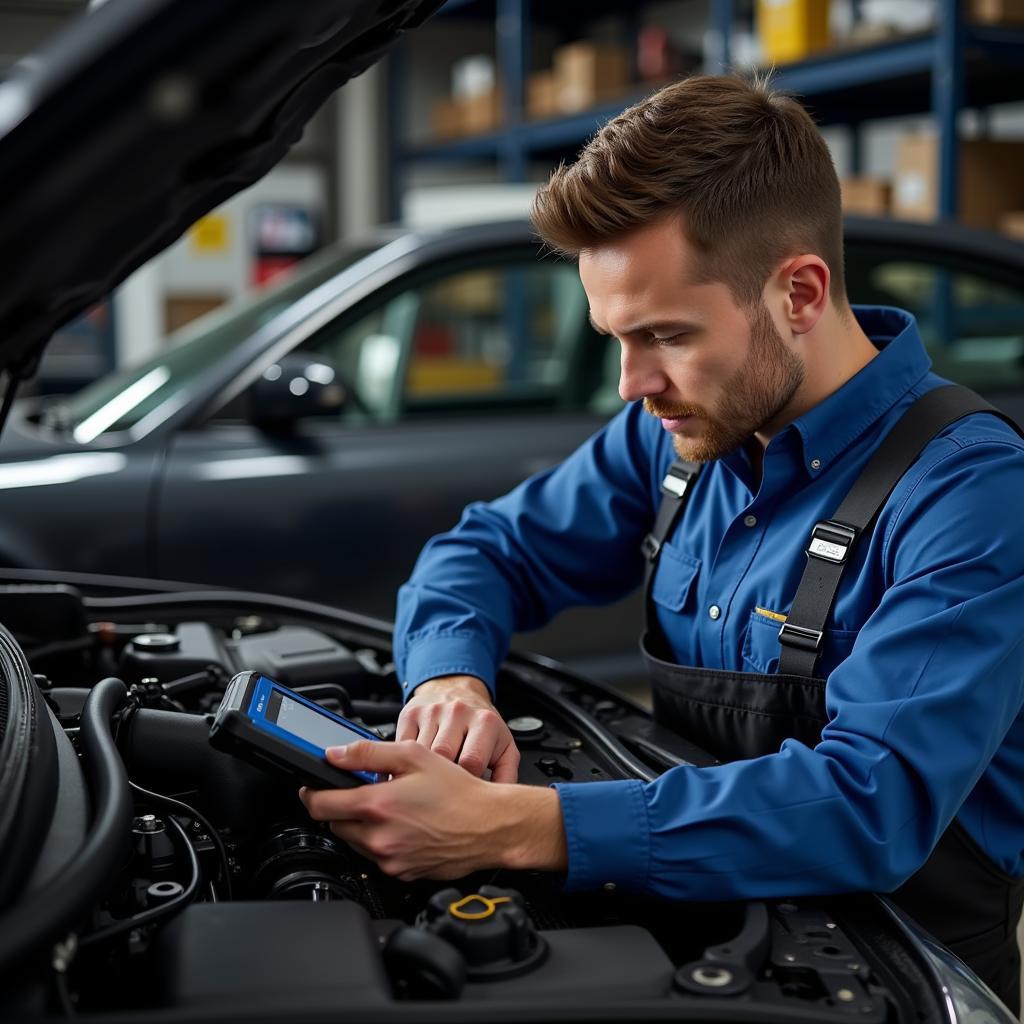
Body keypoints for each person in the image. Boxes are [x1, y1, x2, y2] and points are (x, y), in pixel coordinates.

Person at [300, 75, 1024, 1010]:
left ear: (798, 292)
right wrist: (449, 680)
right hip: (710, 938)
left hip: (903, 974)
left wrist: (519, 827)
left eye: (665, 335)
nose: (630, 383)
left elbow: (868, 802)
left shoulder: (970, 493)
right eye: (613, 337)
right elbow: (484, 552)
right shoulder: (677, 434)